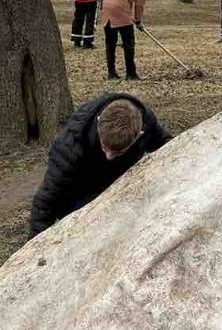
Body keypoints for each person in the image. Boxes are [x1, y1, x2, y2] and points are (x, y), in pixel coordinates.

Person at [29, 94, 171, 236]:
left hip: (119, 189)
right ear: (98, 122)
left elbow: (169, 148)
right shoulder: (70, 146)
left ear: (139, 135)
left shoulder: (145, 121)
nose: (109, 156)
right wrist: (35, 252)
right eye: (104, 147)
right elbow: (46, 201)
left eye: (117, 152)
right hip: (79, 198)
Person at [100, 0, 158, 80]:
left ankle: (111, 73)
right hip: (120, 6)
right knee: (129, 42)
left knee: (110, 42)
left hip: (107, 4)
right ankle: (131, 74)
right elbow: (139, 3)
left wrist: (135, 19)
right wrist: (138, 20)